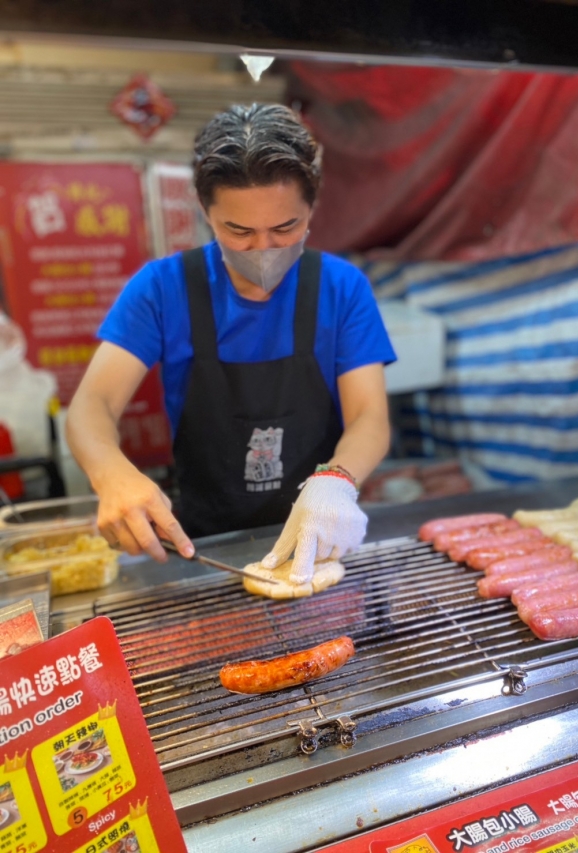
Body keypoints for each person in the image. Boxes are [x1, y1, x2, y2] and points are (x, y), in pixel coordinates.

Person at [66, 103, 396, 585]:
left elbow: (370, 417)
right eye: (238, 231)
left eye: (285, 228)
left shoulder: (342, 288)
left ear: (312, 209)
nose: (263, 248)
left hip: (319, 538)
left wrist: (336, 482)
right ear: (206, 212)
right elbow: (90, 405)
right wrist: (110, 472)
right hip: (204, 544)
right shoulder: (162, 288)